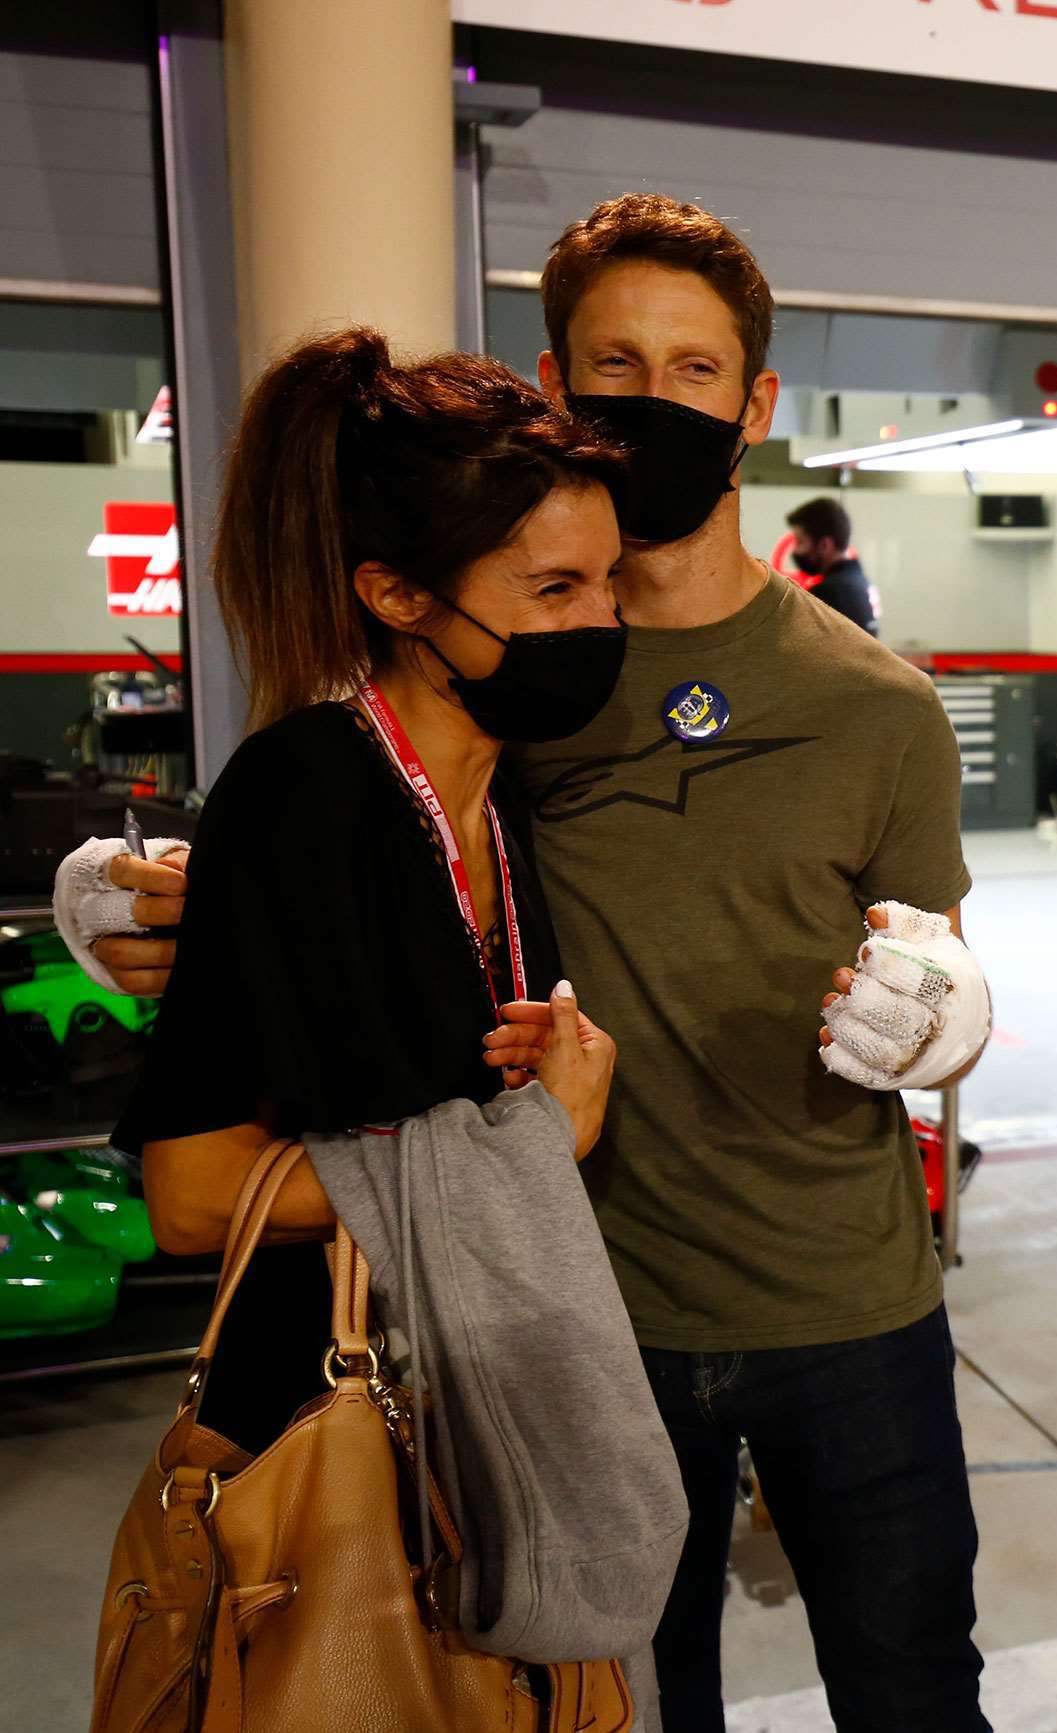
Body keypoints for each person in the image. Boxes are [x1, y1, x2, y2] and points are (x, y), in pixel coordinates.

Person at [78, 195, 992, 1733]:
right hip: (584, 1309)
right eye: (612, 366)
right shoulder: (497, 663)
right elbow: (334, 824)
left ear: (755, 404)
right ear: (558, 386)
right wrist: (143, 889)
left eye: (696, 371)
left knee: (916, 1698)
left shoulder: (871, 709)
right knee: (622, 1703)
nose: (655, 403)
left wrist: (950, 1021)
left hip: (844, 1299)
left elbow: (926, 961)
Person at [118, 331, 624, 1543]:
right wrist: (535, 1138)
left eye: (611, 583)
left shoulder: (497, 799)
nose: (603, 622)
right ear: (398, 593)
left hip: (477, 1405)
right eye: (552, 590)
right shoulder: (303, 793)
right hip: (329, 1427)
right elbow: (190, 1197)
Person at [787, 495, 878, 636]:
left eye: (800, 542)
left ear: (824, 545)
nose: (796, 551)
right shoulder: (859, 581)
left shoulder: (828, 593)